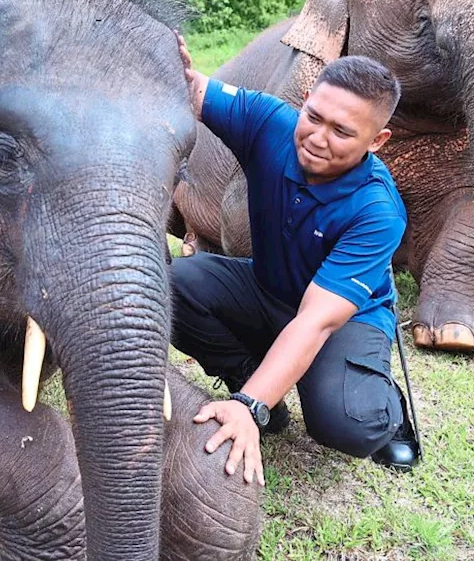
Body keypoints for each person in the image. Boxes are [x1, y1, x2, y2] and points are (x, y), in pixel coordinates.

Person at [172, 36, 420, 485]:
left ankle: (385, 407)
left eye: (342, 132)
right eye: (314, 117)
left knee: (345, 423)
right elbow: (192, 88)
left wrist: (247, 409)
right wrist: (170, 64)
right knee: (170, 285)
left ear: (377, 140)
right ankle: (256, 387)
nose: (318, 139)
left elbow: (316, 322)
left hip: (344, 320)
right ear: (305, 102)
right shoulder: (271, 123)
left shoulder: (377, 211)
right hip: (268, 288)